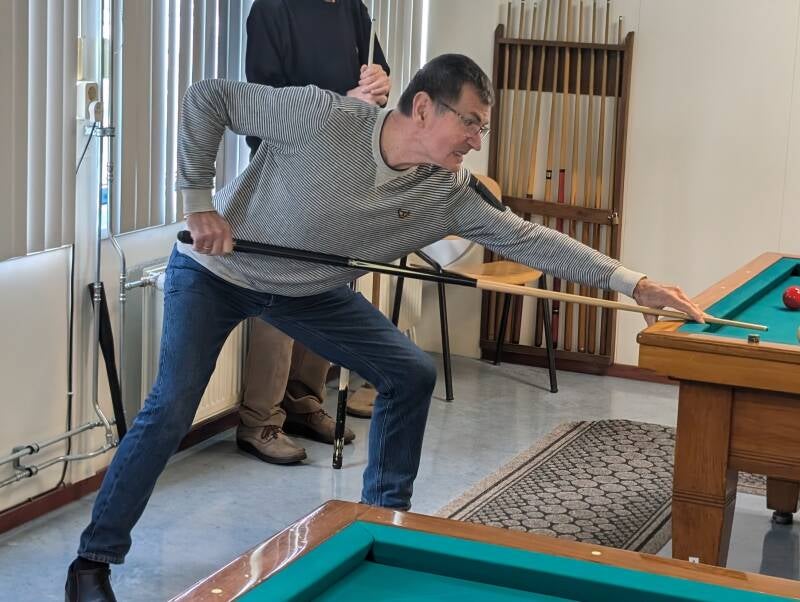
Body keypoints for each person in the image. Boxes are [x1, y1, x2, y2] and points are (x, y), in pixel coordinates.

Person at [65, 53, 705, 601]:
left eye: (482, 127)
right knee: (171, 408)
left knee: (409, 372)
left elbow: (530, 240)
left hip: (309, 290)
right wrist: (197, 202)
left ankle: (380, 528)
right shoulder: (325, 117)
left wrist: (634, 282)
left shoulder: (447, 195)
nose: (476, 139)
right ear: (423, 107)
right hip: (216, 271)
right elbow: (209, 97)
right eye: (470, 122)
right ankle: (92, 561)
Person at [238, 0, 391, 466]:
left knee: (327, 290)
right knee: (279, 298)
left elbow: (378, 79)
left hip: (340, 171)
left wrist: (381, 82)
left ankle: (304, 401)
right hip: (285, 173)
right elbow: (264, 109)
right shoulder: (272, 10)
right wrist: (345, 104)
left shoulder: (352, 9)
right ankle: (259, 420)